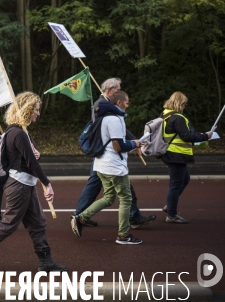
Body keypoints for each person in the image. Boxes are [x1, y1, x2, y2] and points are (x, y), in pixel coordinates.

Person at [0, 92, 66, 273]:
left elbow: (31, 156)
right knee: (9, 223)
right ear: (27, 109)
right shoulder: (17, 133)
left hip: (25, 184)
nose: (38, 113)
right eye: (36, 110)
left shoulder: (19, 132)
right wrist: (47, 183)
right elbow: (31, 162)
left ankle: (46, 261)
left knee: (37, 222)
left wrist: (36, 154)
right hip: (19, 185)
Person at [73, 77, 155, 229]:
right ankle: (82, 216)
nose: (121, 93)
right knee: (120, 192)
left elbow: (118, 130)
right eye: (118, 90)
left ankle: (81, 215)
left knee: (106, 192)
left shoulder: (106, 106)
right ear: (111, 91)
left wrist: (132, 141)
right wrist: (132, 143)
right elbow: (114, 134)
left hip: (104, 155)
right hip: (106, 155)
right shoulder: (103, 106)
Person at [71, 91, 143, 245]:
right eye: (127, 103)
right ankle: (123, 235)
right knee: (126, 198)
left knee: (109, 197)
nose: (128, 105)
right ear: (119, 103)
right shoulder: (115, 119)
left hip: (101, 165)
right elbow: (118, 146)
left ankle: (81, 218)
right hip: (114, 167)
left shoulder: (102, 117)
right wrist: (134, 144)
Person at [160, 92, 212, 224]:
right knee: (176, 184)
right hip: (177, 154)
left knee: (184, 179)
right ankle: (171, 214)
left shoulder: (165, 115)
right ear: (179, 103)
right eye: (184, 104)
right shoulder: (178, 118)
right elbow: (187, 136)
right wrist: (205, 136)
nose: (185, 106)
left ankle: (170, 206)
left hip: (171, 153)